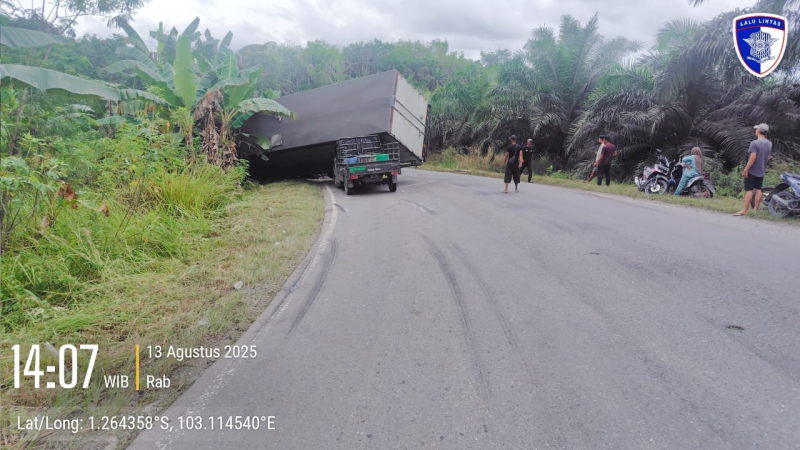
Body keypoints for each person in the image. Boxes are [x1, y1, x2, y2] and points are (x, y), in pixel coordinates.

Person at [734, 123, 772, 216]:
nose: (755, 131)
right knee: (758, 189)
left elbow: (753, 157)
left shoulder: (754, 143)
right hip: (762, 169)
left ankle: (745, 210)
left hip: (752, 170)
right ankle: (755, 209)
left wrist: (746, 169)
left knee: (749, 190)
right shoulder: (769, 143)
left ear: (758, 131)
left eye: (756, 129)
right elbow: (768, 157)